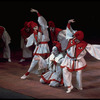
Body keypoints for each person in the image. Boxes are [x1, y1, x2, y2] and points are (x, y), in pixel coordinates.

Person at [61, 19, 100, 93]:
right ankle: (69, 86)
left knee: (79, 73)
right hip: (68, 59)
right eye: (75, 38)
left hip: (78, 61)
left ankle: (79, 86)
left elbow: (95, 49)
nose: (76, 40)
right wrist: (69, 23)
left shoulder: (85, 45)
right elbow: (69, 32)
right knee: (65, 70)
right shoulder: (71, 39)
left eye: (77, 40)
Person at [21, 9, 50, 79]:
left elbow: (42, 21)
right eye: (33, 27)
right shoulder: (35, 32)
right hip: (39, 48)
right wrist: (27, 39)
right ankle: (29, 73)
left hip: (44, 47)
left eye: (35, 26)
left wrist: (37, 13)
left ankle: (42, 73)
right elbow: (31, 37)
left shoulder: (43, 28)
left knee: (42, 60)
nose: (35, 28)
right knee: (36, 60)